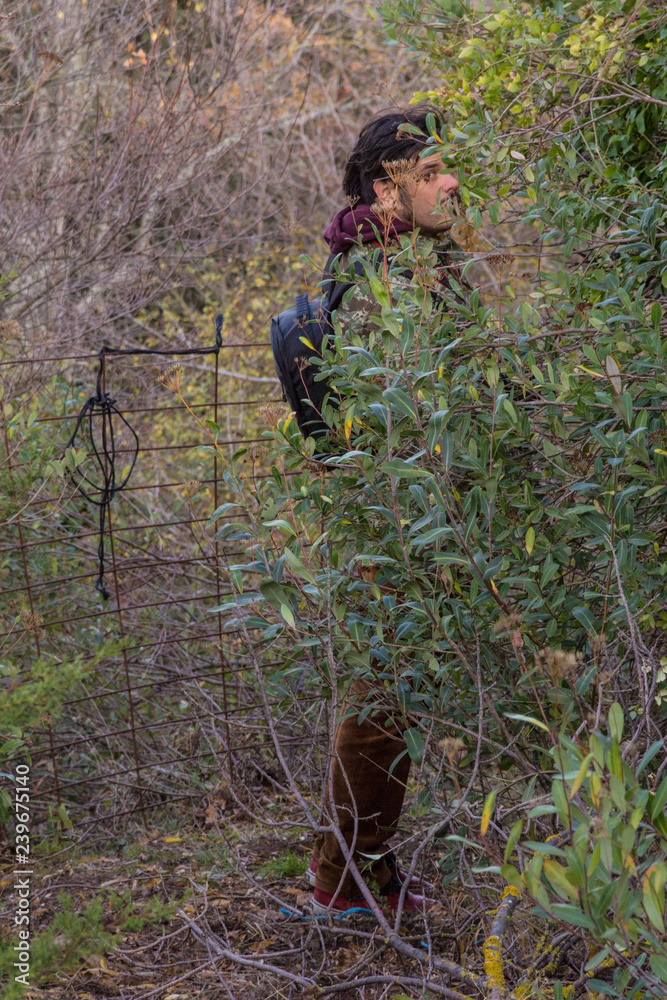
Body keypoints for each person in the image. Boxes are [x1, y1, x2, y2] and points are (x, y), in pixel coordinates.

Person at [306, 106, 462, 917]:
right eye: (431, 172)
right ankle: (348, 878)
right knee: (382, 698)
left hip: (431, 514)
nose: (451, 183)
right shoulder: (378, 275)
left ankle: (354, 870)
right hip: (400, 519)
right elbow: (395, 418)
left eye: (448, 167)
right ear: (385, 187)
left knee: (389, 695)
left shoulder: (413, 258)